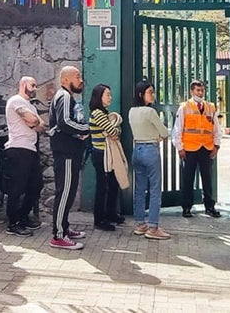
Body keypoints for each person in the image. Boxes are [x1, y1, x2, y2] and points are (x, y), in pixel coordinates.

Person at [47, 66, 89, 250]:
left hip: (71, 151)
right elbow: (64, 122)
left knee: (69, 191)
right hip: (66, 153)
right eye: (77, 76)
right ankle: (58, 235)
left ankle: (64, 227)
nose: (81, 80)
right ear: (65, 80)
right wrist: (85, 129)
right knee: (64, 192)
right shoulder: (63, 96)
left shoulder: (68, 97)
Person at [172, 79, 222, 218]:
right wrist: (180, 147)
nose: (200, 93)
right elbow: (177, 129)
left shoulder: (211, 107)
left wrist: (216, 145)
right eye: (197, 90)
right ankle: (186, 207)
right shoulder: (184, 107)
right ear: (191, 91)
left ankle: (209, 206)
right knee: (188, 179)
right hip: (189, 149)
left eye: (202, 90)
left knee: (207, 179)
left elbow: (216, 128)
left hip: (206, 148)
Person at [129, 80, 170, 240]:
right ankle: (153, 227)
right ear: (141, 94)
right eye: (150, 92)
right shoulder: (150, 112)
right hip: (150, 150)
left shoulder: (131, 111)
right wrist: (158, 135)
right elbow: (165, 132)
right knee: (154, 189)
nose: (153, 94)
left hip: (137, 149)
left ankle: (140, 224)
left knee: (139, 189)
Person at [4, 76, 45, 237]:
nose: (35, 88)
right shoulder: (16, 101)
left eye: (36, 85)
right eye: (32, 85)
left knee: (36, 185)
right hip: (18, 148)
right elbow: (33, 121)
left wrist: (35, 122)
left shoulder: (29, 105)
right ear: (22, 84)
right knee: (17, 188)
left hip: (30, 150)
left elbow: (40, 125)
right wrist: (35, 122)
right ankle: (13, 223)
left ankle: (22, 217)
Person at [88, 84, 124, 232]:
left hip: (107, 153)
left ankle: (110, 213)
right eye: (107, 94)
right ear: (99, 96)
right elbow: (113, 131)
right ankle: (99, 219)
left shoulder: (104, 112)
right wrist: (114, 129)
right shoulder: (98, 113)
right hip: (101, 153)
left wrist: (114, 130)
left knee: (113, 184)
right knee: (102, 186)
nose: (110, 97)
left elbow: (116, 131)